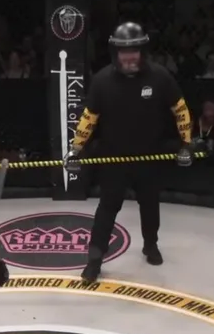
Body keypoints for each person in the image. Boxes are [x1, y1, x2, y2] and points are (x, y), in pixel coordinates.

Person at [66, 22, 197, 283]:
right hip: (114, 158)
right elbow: (89, 118)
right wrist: (75, 149)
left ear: (143, 51)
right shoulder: (102, 80)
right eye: (124, 52)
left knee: (150, 204)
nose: (129, 58)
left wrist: (187, 144)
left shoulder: (160, 77)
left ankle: (150, 244)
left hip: (149, 156)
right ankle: (94, 259)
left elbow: (180, 110)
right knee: (107, 208)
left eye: (134, 51)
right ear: (115, 53)